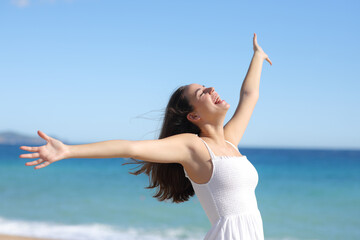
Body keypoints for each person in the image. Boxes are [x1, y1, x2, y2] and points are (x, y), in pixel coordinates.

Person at [19, 33, 272, 240]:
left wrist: (257, 57)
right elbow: (131, 147)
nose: (211, 88)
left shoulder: (229, 142)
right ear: (193, 117)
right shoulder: (193, 147)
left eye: (206, 86)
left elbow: (250, 96)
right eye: (201, 93)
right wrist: (69, 150)